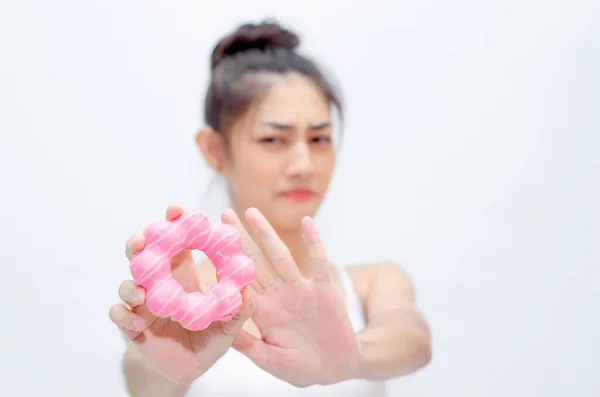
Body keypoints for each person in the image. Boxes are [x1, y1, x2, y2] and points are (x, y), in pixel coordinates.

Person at [109, 20, 432, 397]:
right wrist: (171, 366)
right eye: (273, 139)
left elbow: (413, 340)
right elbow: (142, 377)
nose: (303, 164)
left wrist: (349, 357)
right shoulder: (177, 305)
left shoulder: (374, 282)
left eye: (319, 138)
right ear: (215, 150)